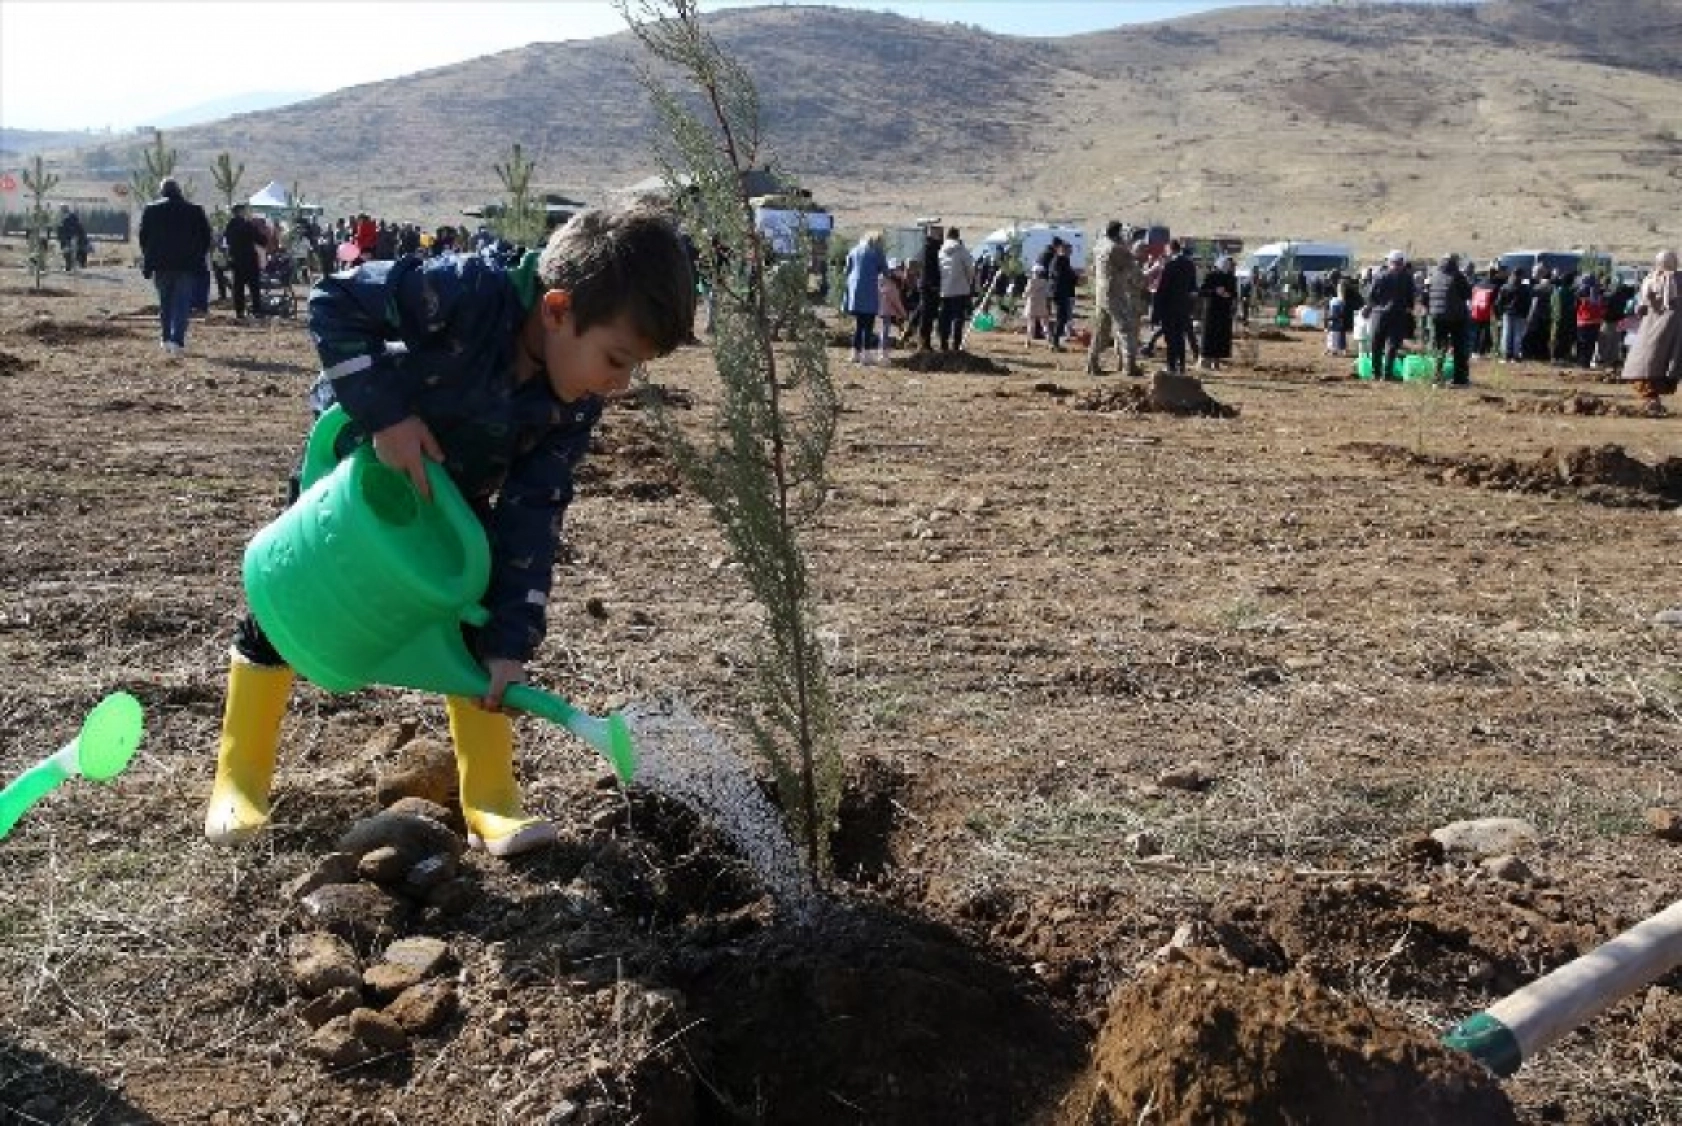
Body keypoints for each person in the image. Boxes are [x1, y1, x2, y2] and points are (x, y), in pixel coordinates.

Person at [203, 207, 696, 856]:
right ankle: (238, 782)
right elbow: (335, 301)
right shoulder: (463, 293)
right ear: (555, 311)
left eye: (635, 369)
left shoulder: (570, 406)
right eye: (615, 359)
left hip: (452, 500)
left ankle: (490, 798)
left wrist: (510, 643)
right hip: (360, 473)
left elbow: (533, 514)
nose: (619, 384)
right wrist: (389, 415)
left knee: (480, 623)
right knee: (286, 607)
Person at [138, 177, 212, 359]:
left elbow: (143, 237)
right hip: (186, 265)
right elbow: (206, 237)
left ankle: (165, 338)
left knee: (165, 302)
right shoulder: (194, 210)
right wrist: (197, 256)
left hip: (161, 265)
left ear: (162, 191)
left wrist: (150, 256)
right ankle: (177, 340)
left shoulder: (151, 210)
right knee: (182, 303)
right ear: (179, 191)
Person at [1619, 250, 1682, 414]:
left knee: (1647, 363)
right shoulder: (1675, 279)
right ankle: (1653, 400)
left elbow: (1640, 307)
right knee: (1663, 364)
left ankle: (1652, 400)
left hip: (1652, 329)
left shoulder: (1651, 279)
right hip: (1674, 328)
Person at [1086, 220, 1143, 377]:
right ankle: (1129, 366)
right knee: (1126, 328)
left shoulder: (1099, 246)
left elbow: (1093, 268)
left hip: (1100, 292)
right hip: (1114, 292)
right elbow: (1131, 267)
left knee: (1101, 329)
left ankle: (1092, 363)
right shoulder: (1116, 249)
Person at [1366, 250, 1416, 382]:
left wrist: (1376, 306)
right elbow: (1411, 298)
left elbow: (1371, 296)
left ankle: (1375, 373)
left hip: (1379, 314)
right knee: (1392, 345)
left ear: (1389, 262)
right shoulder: (1407, 277)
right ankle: (1387, 374)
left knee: (1376, 344)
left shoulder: (1380, 276)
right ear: (1403, 262)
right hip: (1398, 314)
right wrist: (1408, 309)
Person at [1152, 239, 1198, 374]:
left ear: (1170, 249)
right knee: (1180, 337)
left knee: (1170, 338)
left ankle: (1171, 365)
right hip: (1183, 307)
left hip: (1169, 307)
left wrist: (1156, 312)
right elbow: (1193, 288)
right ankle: (1182, 365)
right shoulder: (1190, 265)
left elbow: (1162, 289)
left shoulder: (1169, 265)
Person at [842, 230, 887, 365]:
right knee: (868, 324)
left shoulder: (854, 250)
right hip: (869, 291)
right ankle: (866, 355)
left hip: (855, 292)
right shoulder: (876, 251)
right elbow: (885, 270)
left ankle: (854, 353)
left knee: (859, 324)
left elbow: (846, 270)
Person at [1427, 253, 1471, 386]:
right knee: (1459, 348)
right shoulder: (1457, 276)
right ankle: (1460, 379)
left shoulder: (1435, 275)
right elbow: (1467, 294)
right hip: (1456, 316)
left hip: (1437, 316)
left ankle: (1436, 377)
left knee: (1440, 347)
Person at [223, 203, 268, 323]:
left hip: (236, 260)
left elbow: (227, 241)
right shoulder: (248, 225)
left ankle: (239, 312)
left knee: (238, 288)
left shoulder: (230, 226)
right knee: (254, 287)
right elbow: (262, 240)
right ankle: (257, 311)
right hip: (250, 260)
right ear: (241, 212)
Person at [937, 226, 976, 352]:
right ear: (958, 236)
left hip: (944, 290)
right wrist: (969, 283)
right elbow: (970, 269)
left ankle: (943, 343)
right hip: (960, 289)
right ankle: (956, 345)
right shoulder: (961, 250)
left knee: (945, 317)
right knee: (958, 318)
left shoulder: (941, 251)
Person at [1198, 255, 1237, 370]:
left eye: (1229, 265)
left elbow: (1234, 293)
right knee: (1211, 336)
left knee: (1221, 337)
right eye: (1226, 264)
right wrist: (1215, 291)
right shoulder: (1211, 276)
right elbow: (1202, 291)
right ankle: (1207, 360)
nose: (1228, 266)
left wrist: (1228, 295)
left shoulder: (1231, 278)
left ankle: (1217, 362)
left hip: (1224, 311)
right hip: (1212, 311)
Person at [1047, 239, 1077, 352]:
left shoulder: (1062, 260)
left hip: (1060, 292)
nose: (1071, 252)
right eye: (1069, 250)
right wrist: (1074, 277)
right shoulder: (1060, 260)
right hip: (1059, 292)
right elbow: (1060, 276)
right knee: (1061, 317)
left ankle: (1055, 342)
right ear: (1062, 249)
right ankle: (1054, 343)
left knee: (1062, 318)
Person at [876, 257, 908, 363]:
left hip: (880, 310)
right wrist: (903, 314)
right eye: (899, 269)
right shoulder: (891, 285)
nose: (901, 272)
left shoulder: (881, 280)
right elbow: (896, 301)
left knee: (884, 331)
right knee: (885, 332)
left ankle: (883, 353)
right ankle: (884, 355)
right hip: (887, 311)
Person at [916, 228, 942, 351]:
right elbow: (929, 269)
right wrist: (933, 285)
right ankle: (923, 343)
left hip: (927, 286)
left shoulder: (927, 248)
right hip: (929, 287)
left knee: (927, 315)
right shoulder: (930, 249)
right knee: (927, 316)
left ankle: (925, 342)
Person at [1022, 264, 1050, 346]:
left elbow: (1026, 293)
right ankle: (1049, 341)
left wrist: (1024, 295)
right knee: (1044, 323)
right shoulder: (1045, 282)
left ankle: (1028, 341)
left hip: (1032, 304)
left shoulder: (1031, 281)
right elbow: (1048, 294)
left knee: (1031, 324)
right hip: (1042, 304)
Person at [57, 206, 85, 273]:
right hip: (68, 239)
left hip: (72, 238)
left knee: (72, 253)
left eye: (64, 209)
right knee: (67, 253)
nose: (63, 211)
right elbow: (60, 229)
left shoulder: (71, 218)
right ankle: (70, 266)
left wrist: (79, 236)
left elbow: (78, 227)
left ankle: (72, 267)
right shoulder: (62, 218)